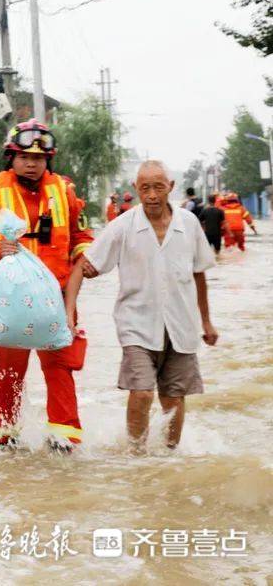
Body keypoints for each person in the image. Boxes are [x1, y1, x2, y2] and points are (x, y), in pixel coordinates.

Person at [65, 161, 218, 452]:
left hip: (181, 325)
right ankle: (136, 456)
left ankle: (169, 456)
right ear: (135, 189)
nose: (151, 195)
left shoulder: (188, 223)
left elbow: (198, 273)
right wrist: (68, 312)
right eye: (144, 188)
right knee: (142, 392)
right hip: (136, 325)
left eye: (158, 187)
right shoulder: (122, 226)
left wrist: (207, 322)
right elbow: (82, 267)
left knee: (174, 397)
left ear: (170, 188)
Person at [0, 119, 94, 453]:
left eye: (39, 158)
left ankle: (64, 441)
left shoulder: (65, 191)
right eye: (24, 157)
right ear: (11, 156)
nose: (32, 163)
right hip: (9, 304)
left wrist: (87, 257)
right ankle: (4, 440)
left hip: (58, 300)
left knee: (61, 371)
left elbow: (81, 237)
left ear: (49, 159)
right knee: (5, 376)